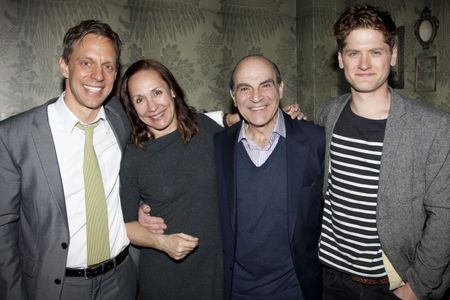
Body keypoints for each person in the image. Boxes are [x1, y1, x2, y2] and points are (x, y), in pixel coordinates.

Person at [315, 5, 450, 300]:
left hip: (392, 286)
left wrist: (417, 287)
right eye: (353, 53)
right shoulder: (327, 113)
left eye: (375, 52)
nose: (364, 63)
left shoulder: (435, 127)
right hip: (329, 277)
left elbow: (445, 215)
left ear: (393, 55)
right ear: (340, 59)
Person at [0, 20, 136, 300]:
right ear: (64, 65)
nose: (98, 75)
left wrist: (230, 121)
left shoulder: (121, 119)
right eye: (87, 63)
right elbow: (3, 228)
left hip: (120, 279)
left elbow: (167, 117)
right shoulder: (15, 136)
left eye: (108, 66)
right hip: (57, 287)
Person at [214, 54, 325, 300]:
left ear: (281, 88)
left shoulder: (315, 140)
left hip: (297, 288)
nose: (256, 97)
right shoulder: (218, 146)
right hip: (236, 290)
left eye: (265, 85)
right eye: (245, 88)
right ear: (233, 96)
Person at [119, 59, 225, 299]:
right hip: (166, 275)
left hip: (216, 269)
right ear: (132, 107)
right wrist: (162, 243)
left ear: (172, 90)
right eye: (139, 99)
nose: (152, 106)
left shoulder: (206, 128)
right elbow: (124, 227)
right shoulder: (134, 156)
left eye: (157, 92)